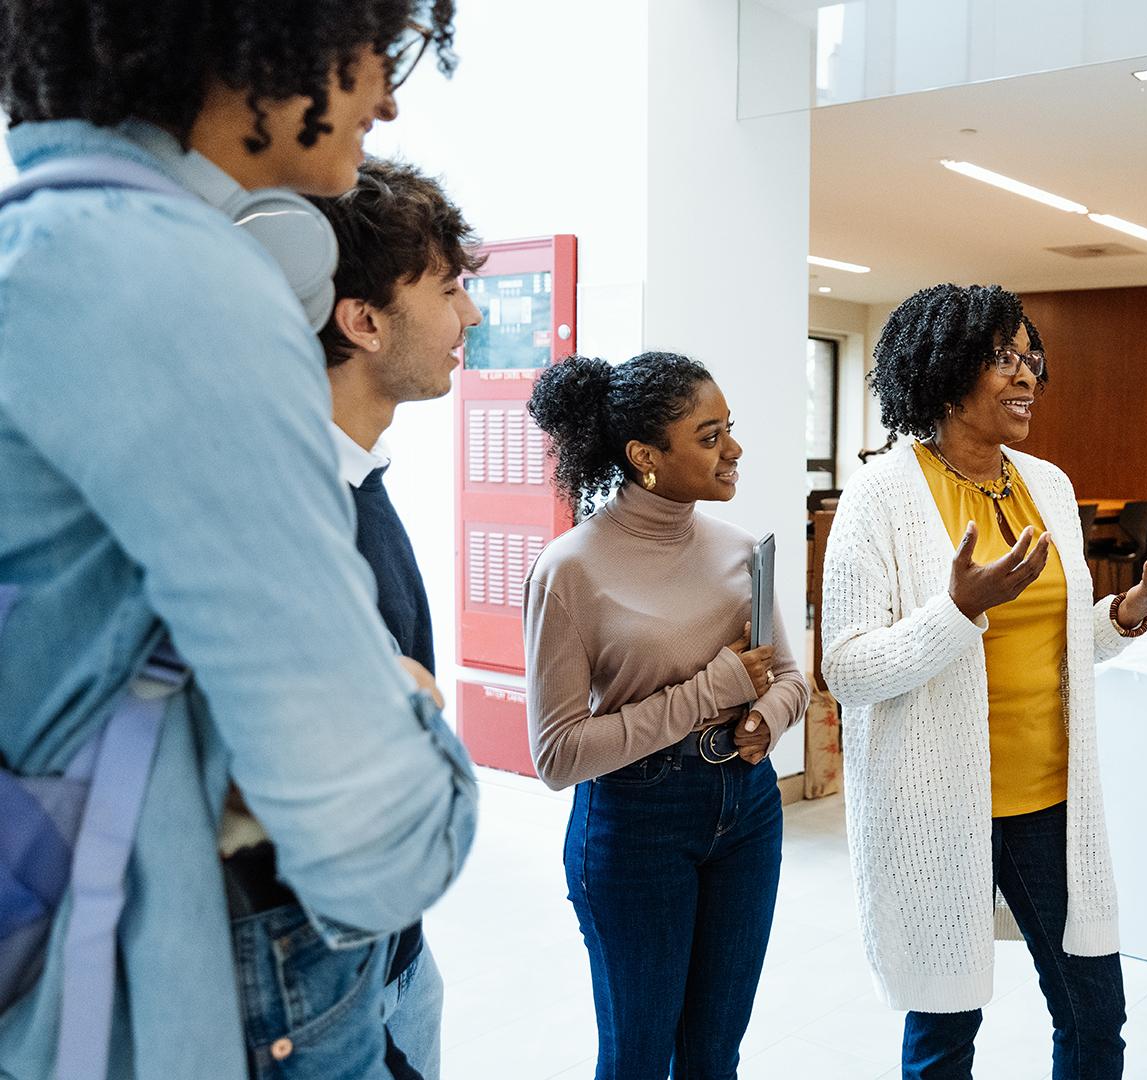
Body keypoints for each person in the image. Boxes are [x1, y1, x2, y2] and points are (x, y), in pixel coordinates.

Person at [0, 4, 477, 1079]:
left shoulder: (34, 253)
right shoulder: (176, 281)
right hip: (178, 990)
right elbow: (380, 849)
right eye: (380, 51)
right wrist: (406, 705)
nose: (389, 98)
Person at [820, 283, 1147, 1080]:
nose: (1027, 376)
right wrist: (957, 611)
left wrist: (1132, 607)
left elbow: (1065, 645)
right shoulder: (881, 495)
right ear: (947, 371)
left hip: (1050, 805)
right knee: (945, 1033)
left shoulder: (1047, 485)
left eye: (1032, 359)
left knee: (1096, 1019)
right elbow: (847, 668)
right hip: (936, 805)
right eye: (1004, 359)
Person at [522, 352, 808, 1080]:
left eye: (729, 430)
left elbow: (788, 679)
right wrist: (707, 694)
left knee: (714, 1054)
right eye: (710, 437)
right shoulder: (571, 569)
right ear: (646, 456)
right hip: (634, 824)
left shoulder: (745, 551)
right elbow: (557, 757)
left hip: (747, 812)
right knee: (639, 1059)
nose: (734, 450)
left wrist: (766, 719)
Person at [309, 156, 486, 1078]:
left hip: (396, 963)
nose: (472, 315)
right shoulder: (294, 519)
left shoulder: (360, 481)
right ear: (363, 320)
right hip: (338, 985)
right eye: (450, 289)